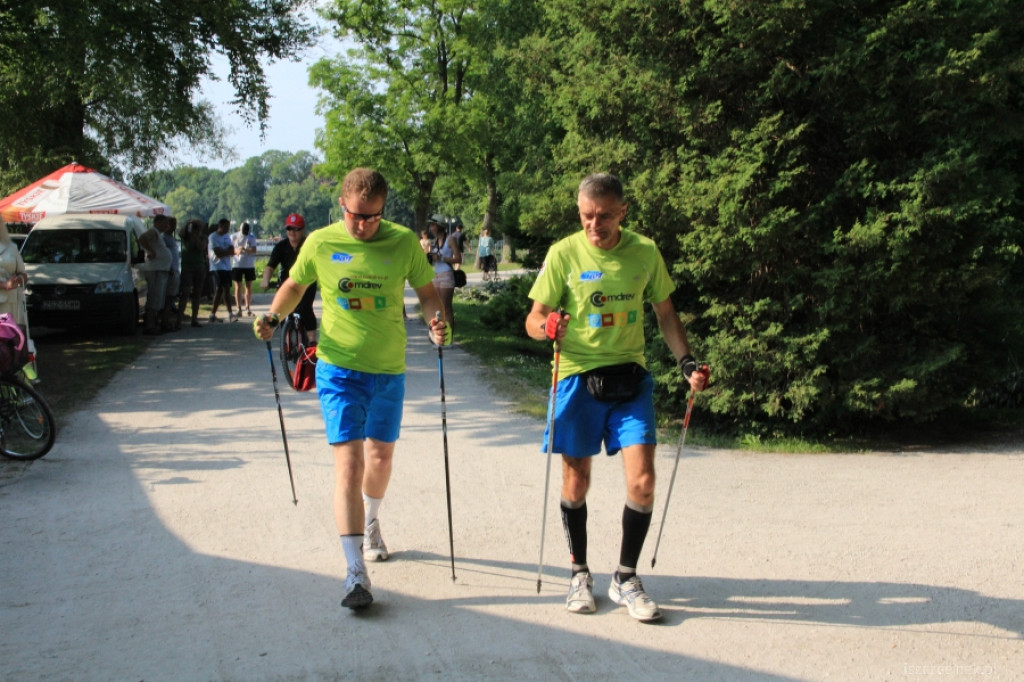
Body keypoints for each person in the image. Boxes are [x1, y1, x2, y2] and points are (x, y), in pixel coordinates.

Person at [254, 168, 449, 611]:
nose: (363, 225)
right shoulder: (321, 242)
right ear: (342, 205)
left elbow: (427, 291)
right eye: (356, 216)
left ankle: (373, 521)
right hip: (338, 369)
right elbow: (293, 285)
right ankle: (354, 571)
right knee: (349, 463)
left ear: (384, 210)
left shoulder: (401, 242)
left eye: (373, 217)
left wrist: (437, 323)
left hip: (388, 369)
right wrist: (272, 317)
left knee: (380, 458)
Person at [525, 172, 708, 623]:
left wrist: (687, 362)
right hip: (575, 379)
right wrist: (547, 328)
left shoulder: (644, 252)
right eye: (587, 215)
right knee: (576, 482)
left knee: (643, 481)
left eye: (604, 215)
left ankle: (625, 577)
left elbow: (665, 312)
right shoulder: (564, 253)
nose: (594, 224)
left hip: (630, 380)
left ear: (622, 211)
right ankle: (579, 573)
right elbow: (534, 319)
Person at [261, 213, 318, 343]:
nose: (292, 232)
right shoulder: (280, 246)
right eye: (289, 228)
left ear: (302, 229)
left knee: (305, 309)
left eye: (296, 229)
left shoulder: (308, 245)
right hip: (286, 283)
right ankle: (285, 342)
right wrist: (265, 280)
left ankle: (312, 343)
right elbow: (270, 267)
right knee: (281, 310)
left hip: (306, 283)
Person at [138, 214, 172, 335]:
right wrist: (151, 251)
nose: (168, 226)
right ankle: (149, 326)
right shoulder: (153, 232)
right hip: (155, 270)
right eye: (165, 223)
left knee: (158, 299)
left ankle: (153, 323)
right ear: (158, 223)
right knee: (154, 298)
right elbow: (142, 238)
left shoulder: (159, 234)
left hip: (160, 269)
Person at [426, 214, 461, 334]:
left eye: (432, 225)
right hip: (435, 275)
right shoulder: (435, 241)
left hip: (446, 274)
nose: (430, 228)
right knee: (437, 308)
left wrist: (442, 258)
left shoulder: (450, 239)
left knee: (446, 308)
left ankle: (449, 338)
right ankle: (440, 335)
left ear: (439, 226)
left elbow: (458, 259)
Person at [178, 219, 208, 327]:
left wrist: (195, 236)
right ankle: (179, 320)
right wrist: (188, 224)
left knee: (197, 293)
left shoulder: (203, 237)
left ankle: (194, 319)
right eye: (195, 227)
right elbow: (180, 233)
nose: (197, 230)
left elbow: (201, 246)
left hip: (199, 266)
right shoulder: (185, 236)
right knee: (185, 293)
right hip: (187, 267)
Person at [207, 218, 236, 322]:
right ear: (220, 226)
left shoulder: (227, 237)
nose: (227, 229)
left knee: (220, 291)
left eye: (228, 227)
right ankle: (230, 313)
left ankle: (212, 314)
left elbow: (232, 250)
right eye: (226, 227)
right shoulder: (213, 237)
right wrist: (227, 251)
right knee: (225, 288)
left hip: (227, 266)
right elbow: (218, 253)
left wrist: (227, 251)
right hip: (217, 266)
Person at [231, 222, 257, 316]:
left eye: (246, 232)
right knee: (238, 286)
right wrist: (237, 250)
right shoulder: (233, 237)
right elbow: (230, 249)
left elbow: (254, 250)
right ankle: (238, 308)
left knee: (248, 286)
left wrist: (245, 250)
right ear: (239, 229)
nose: (245, 234)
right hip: (237, 264)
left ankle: (248, 307)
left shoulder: (251, 237)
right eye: (243, 232)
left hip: (249, 265)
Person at [160, 216, 181, 331]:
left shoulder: (171, 238)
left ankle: (167, 320)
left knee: (172, 297)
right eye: (171, 224)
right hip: (170, 270)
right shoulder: (164, 237)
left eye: (174, 224)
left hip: (175, 270)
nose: (173, 227)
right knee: (168, 297)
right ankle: (164, 321)